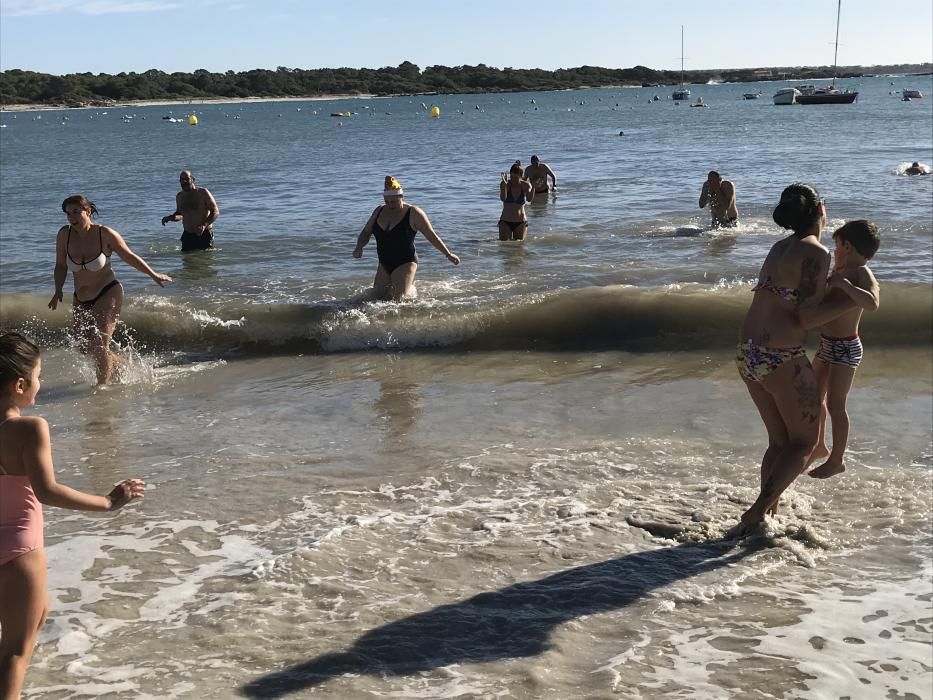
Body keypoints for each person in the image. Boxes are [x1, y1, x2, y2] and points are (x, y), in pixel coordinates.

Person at [0, 332, 144, 698]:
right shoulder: (29, 428)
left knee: (37, 617)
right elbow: (47, 491)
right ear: (20, 385)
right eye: (38, 376)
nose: (40, 383)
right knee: (15, 652)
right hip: (20, 550)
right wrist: (109, 502)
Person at [732, 183, 856, 536]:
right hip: (779, 356)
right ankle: (756, 512)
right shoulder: (815, 253)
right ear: (821, 209)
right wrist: (850, 301)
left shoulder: (779, 246)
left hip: (747, 352)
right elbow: (806, 317)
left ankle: (766, 512)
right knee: (804, 443)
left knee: (779, 442)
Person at [49, 195, 172, 384]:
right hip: (80, 297)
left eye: (76, 211)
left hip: (107, 292)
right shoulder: (64, 235)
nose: (71, 217)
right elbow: (60, 265)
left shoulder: (104, 234)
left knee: (99, 345)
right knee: (83, 346)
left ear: (88, 211)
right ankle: (117, 364)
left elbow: (129, 256)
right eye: (67, 213)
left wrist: (153, 274)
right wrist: (58, 289)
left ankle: (101, 391)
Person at [807, 221, 881, 479]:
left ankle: (837, 460)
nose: (834, 250)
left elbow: (872, 303)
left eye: (836, 245)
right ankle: (818, 446)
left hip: (846, 347)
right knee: (814, 398)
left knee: (837, 404)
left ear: (847, 246)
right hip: (827, 345)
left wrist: (844, 285)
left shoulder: (861, 272)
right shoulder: (838, 271)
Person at [352, 177, 460, 300]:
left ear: (401, 197)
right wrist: (359, 247)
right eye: (387, 201)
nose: (390, 205)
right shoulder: (379, 211)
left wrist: (448, 254)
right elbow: (366, 232)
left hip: (405, 261)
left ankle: (411, 296)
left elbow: (431, 235)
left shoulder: (413, 213)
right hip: (384, 263)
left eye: (394, 202)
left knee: (400, 300)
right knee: (375, 298)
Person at [160, 171, 221, 251]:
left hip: (204, 234)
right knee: (187, 262)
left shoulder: (202, 193)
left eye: (186, 179)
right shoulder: (179, 196)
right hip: (187, 236)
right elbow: (180, 215)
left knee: (205, 261)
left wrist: (204, 225)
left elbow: (215, 211)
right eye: (181, 180)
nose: (184, 181)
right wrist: (170, 218)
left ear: (193, 179)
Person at [498, 163, 534, 241]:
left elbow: (529, 199)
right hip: (505, 221)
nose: (513, 179)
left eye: (515, 177)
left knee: (519, 247)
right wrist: (504, 185)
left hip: (521, 222)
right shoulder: (506, 184)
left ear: (521, 176)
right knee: (504, 247)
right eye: (511, 176)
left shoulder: (525, 185)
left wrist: (534, 187)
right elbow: (503, 198)